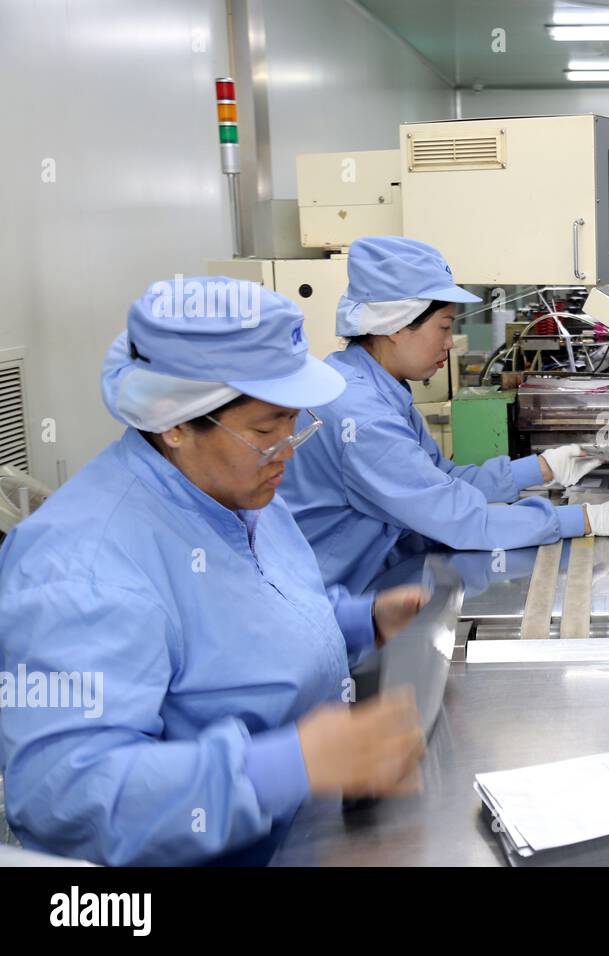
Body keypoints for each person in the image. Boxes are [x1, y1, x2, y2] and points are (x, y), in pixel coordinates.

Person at [0, 278, 430, 866]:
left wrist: (361, 621)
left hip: (298, 831)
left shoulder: (237, 489)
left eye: (292, 421)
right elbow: (66, 797)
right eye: (264, 428)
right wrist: (286, 765)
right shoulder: (80, 567)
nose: (288, 447)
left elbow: (247, 609)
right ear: (175, 423)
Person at [281, 236, 609, 593]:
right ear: (395, 326)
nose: (450, 342)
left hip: (373, 574)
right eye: (444, 326)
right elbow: (463, 521)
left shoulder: (376, 387)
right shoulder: (362, 415)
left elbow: (444, 482)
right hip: (335, 596)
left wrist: (544, 468)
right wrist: (588, 520)